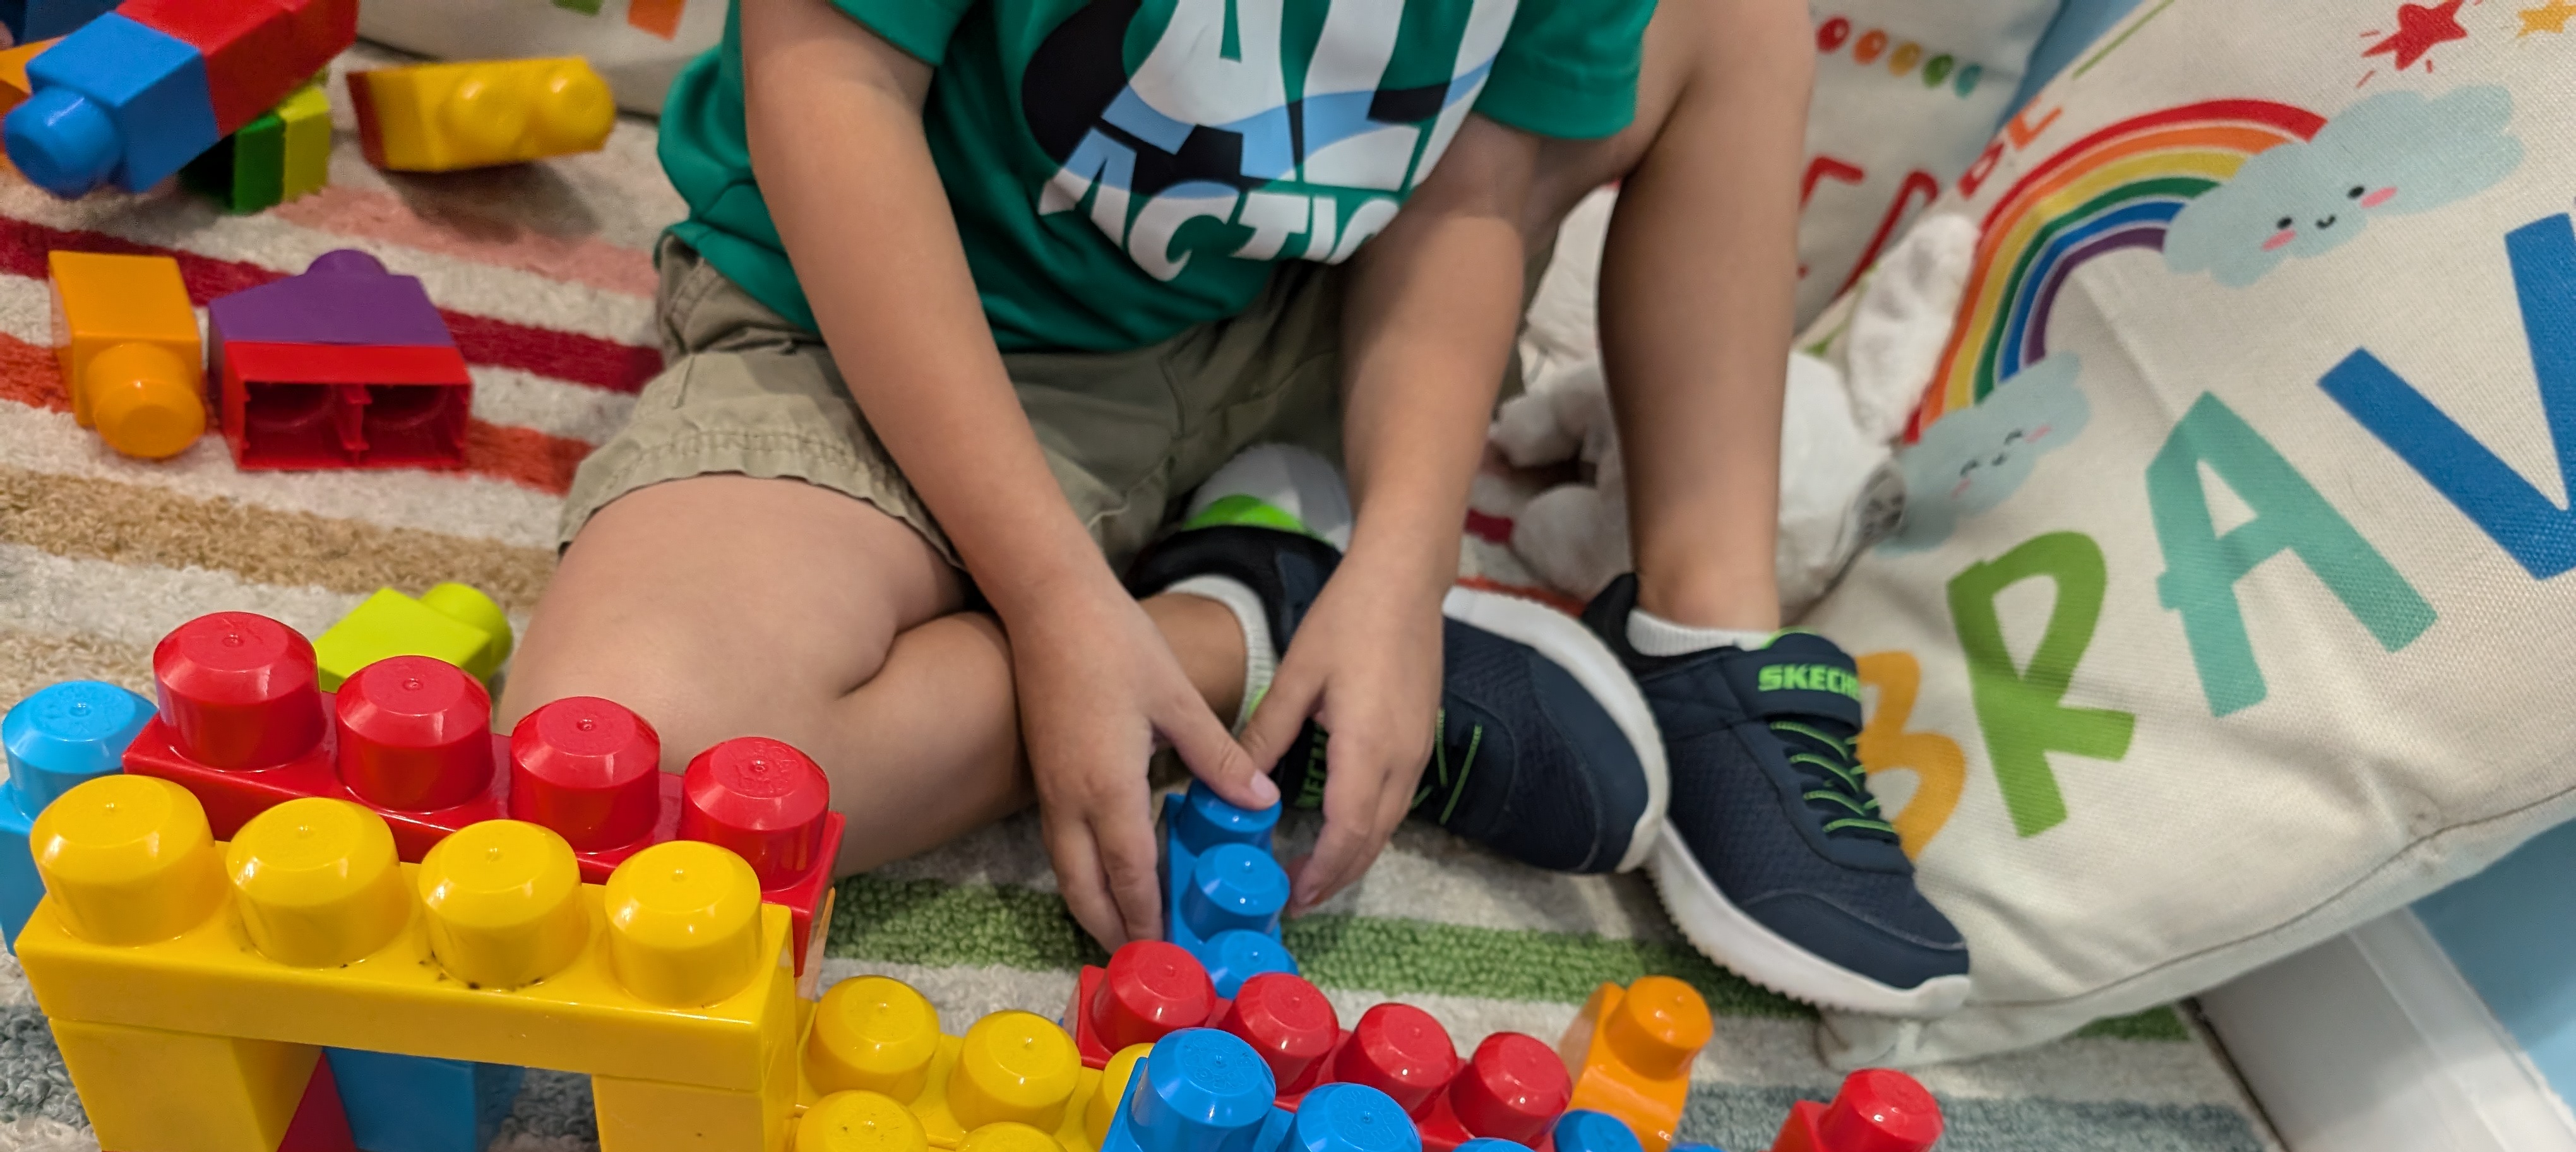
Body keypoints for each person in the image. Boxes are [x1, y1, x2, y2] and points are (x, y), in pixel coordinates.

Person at [501, 0, 1969, 1016]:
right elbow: (831, 85)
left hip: (1303, 313)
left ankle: (1708, 652)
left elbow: (1476, 199)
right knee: (636, 772)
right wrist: (1057, 598)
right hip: (904, 322)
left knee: (1732, 23)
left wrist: (1401, 565)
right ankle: (1242, 631)